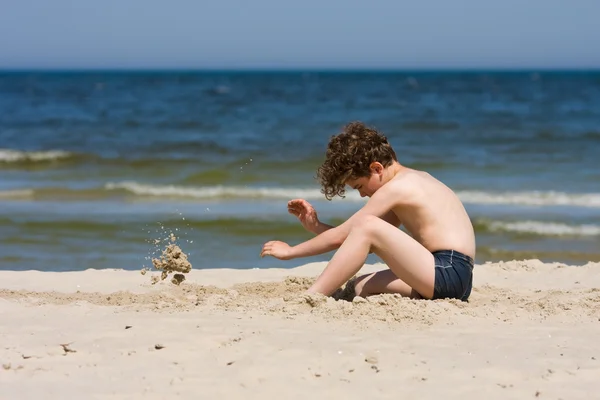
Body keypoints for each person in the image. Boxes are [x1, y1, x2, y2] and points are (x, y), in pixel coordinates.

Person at [260, 121, 476, 301]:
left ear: (376, 168)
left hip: (447, 270)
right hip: (456, 279)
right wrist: (316, 226)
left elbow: (353, 232)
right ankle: (424, 298)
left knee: (366, 224)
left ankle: (312, 296)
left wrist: (291, 251)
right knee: (360, 288)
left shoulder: (399, 187)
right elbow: (364, 243)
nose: (362, 195)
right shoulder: (414, 181)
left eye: (360, 187)